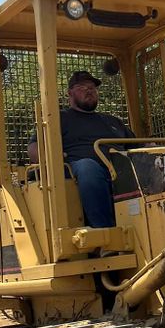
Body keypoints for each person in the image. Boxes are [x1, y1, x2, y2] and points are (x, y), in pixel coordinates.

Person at [28, 70, 133, 227]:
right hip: (75, 168)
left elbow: (139, 146)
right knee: (88, 167)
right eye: (82, 86)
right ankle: (105, 233)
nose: (89, 89)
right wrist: (50, 158)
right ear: (69, 93)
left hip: (118, 167)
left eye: (92, 87)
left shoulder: (112, 121)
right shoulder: (58, 119)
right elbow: (34, 148)